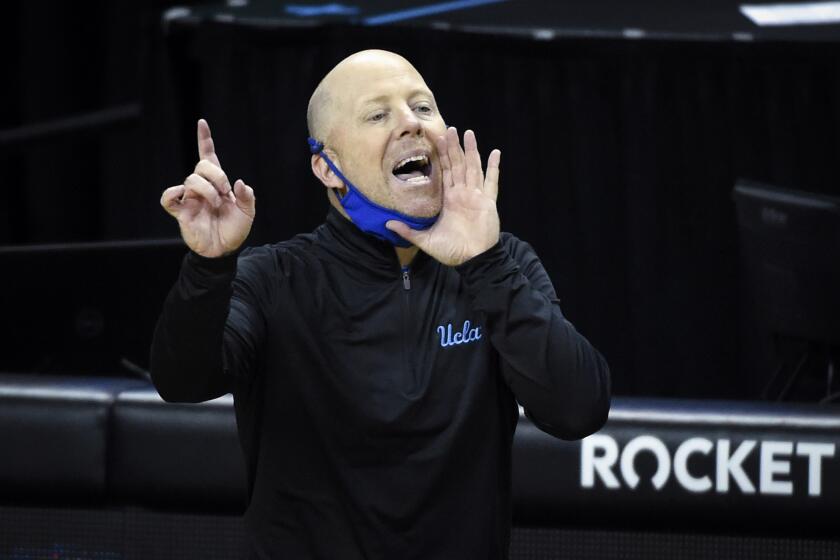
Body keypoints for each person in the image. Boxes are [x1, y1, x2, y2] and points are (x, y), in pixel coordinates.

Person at [152, 49, 610, 559]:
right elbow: (183, 382)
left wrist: (485, 265)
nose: (411, 124)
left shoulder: (502, 266)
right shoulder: (272, 278)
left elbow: (578, 411)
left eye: (423, 107)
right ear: (327, 167)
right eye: (378, 114)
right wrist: (209, 267)